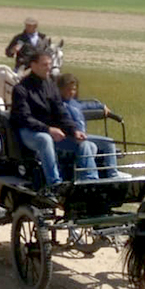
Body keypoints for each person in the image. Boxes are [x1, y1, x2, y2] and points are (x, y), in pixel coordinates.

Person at [10, 50, 96, 188]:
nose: (49, 67)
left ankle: (90, 183)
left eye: (50, 64)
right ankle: (54, 184)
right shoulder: (21, 89)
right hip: (28, 132)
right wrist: (48, 130)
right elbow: (24, 118)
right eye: (45, 64)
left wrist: (74, 131)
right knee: (45, 139)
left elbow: (61, 113)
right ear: (33, 65)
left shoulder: (51, 86)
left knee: (85, 144)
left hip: (51, 131)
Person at [57, 74, 120, 179]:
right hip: (68, 137)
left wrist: (102, 106)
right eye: (68, 89)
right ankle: (91, 177)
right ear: (60, 89)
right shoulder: (58, 105)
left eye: (73, 89)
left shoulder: (75, 103)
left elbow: (90, 105)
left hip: (83, 135)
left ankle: (113, 175)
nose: (71, 92)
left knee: (109, 143)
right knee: (87, 145)